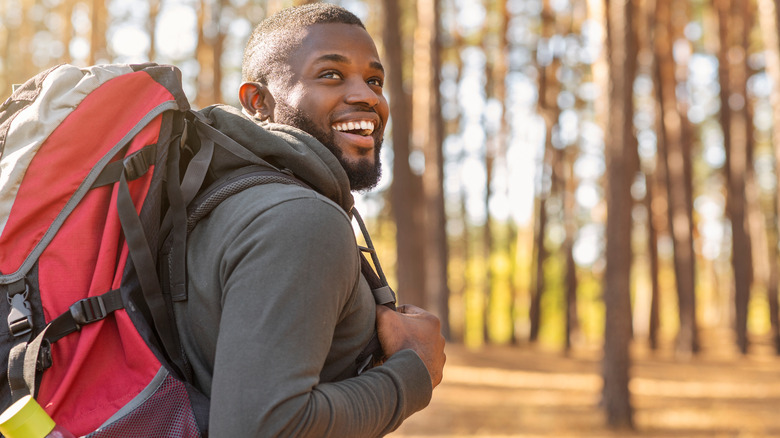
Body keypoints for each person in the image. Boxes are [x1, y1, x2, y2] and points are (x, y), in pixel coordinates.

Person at [173, 3, 447, 437]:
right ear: (258, 102)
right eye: (332, 75)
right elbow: (261, 427)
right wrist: (413, 372)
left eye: (374, 80)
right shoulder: (299, 219)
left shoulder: (224, 202)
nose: (369, 97)